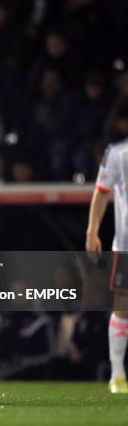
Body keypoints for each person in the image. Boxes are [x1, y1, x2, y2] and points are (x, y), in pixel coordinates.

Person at [86, 132, 128, 393]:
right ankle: (117, 374)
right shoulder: (118, 153)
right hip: (126, 246)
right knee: (123, 308)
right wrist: (92, 230)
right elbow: (101, 192)